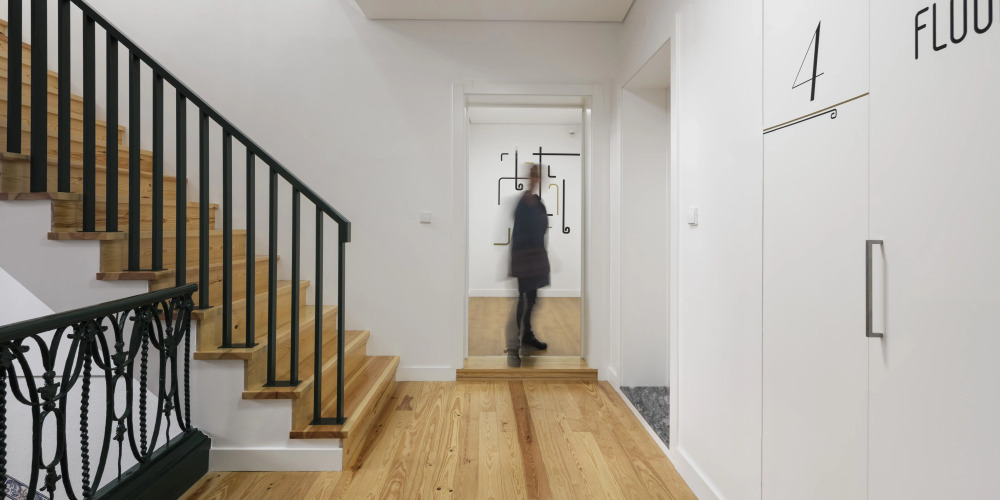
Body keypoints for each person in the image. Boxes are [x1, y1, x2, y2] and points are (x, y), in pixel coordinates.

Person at [506, 163, 549, 367]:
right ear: (528, 178)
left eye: (538, 176)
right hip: (524, 259)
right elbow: (521, 234)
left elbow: (542, 231)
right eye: (533, 176)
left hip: (536, 258)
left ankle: (527, 336)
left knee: (532, 299)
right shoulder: (523, 203)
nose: (535, 179)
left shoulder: (539, 204)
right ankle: (513, 347)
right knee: (523, 300)